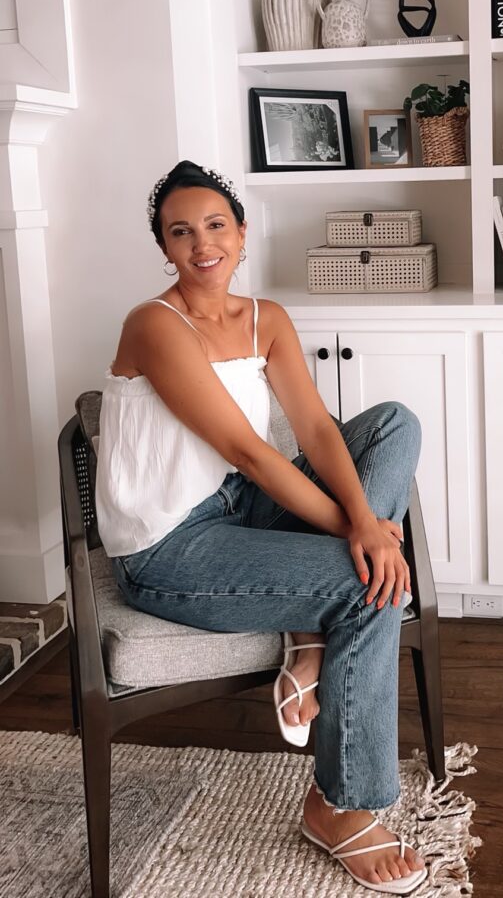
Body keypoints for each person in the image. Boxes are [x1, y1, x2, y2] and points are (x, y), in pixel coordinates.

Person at [96, 160, 427, 894]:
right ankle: (341, 805)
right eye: (180, 232)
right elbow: (246, 449)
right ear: (164, 247)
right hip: (171, 546)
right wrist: (366, 530)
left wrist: (366, 521)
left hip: (238, 504)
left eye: (216, 225)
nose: (201, 243)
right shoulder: (153, 324)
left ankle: (309, 644)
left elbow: (312, 426)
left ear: (242, 234)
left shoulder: (266, 317)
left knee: (393, 425)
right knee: (371, 585)